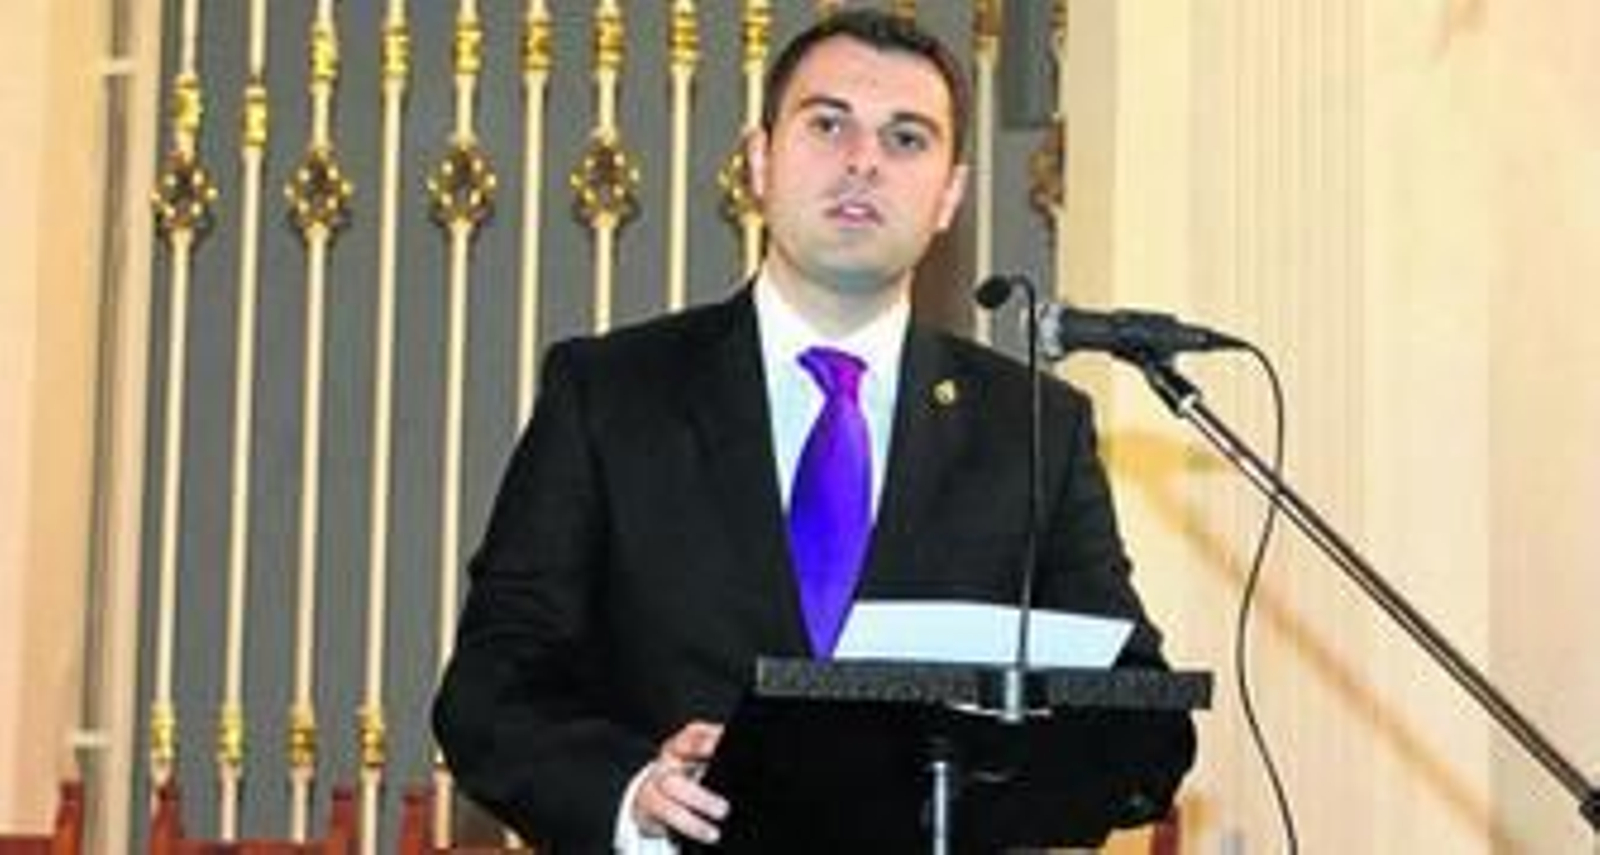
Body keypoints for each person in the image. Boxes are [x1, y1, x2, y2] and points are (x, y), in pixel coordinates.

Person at [433, 9, 1194, 853]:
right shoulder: (610, 394)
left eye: (907, 138)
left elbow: (1140, 717)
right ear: (759, 160)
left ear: (949, 194)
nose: (863, 160)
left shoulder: (1033, 430)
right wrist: (634, 790)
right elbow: (489, 689)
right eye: (828, 124)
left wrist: (981, 767)